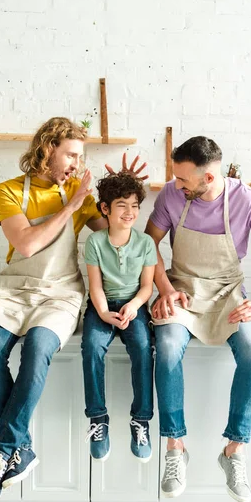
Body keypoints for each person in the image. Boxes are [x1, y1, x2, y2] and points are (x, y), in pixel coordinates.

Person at [0, 117, 146, 502]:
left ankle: (4, 452)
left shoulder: (82, 196)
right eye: (70, 154)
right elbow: (27, 245)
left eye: (80, 156)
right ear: (47, 149)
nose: (76, 163)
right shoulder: (8, 192)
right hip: (16, 288)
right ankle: (23, 448)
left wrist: (124, 190)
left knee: (37, 352)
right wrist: (71, 205)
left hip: (61, 293)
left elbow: (117, 240)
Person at [145, 136, 251, 502]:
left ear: (208, 178)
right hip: (181, 290)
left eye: (183, 180)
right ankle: (175, 447)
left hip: (228, 292)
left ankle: (234, 450)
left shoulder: (247, 201)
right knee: (165, 348)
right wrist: (164, 290)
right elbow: (148, 246)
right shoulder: (170, 195)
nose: (176, 185)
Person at [81, 172, 157, 463]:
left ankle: (141, 420)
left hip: (134, 306)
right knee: (91, 348)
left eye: (135, 205)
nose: (130, 212)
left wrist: (135, 306)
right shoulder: (95, 242)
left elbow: (147, 286)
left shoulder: (146, 243)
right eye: (122, 205)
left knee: (142, 347)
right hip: (102, 306)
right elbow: (96, 286)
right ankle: (98, 419)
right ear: (105, 209)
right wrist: (103, 313)